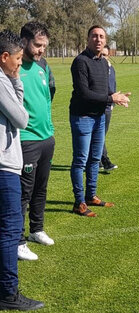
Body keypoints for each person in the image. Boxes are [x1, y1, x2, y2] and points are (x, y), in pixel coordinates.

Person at [0, 29, 44, 311]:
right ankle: (7, 292)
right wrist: (17, 82)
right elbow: (22, 118)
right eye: (17, 59)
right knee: (10, 229)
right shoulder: (2, 80)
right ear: (4, 57)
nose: (19, 64)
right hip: (4, 166)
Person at [69, 25, 130, 217]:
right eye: (94, 36)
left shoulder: (104, 63)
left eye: (102, 36)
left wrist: (115, 96)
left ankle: (91, 196)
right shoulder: (80, 62)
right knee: (80, 161)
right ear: (88, 39)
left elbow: (102, 92)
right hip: (83, 117)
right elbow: (84, 93)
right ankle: (79, 202)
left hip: (99, 117)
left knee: (95, 159)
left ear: (105, 40)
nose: (98, 39)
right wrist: (111, 99)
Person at [17, 22, 55, 262]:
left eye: (44, 46)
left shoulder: (43, 65)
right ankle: (18, 241)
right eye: (38, 45)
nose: (41, 50)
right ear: (24, 41)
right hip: (26, 139)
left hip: (46, 137)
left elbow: (49, 94)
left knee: (41, 188)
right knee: (23, 192)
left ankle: (36, 230)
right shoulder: (13, 65)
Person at [100, 45, 118, 172]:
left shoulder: (112, 69)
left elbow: (113, 86)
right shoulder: (99, 70)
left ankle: (97, 160)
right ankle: (105, 161)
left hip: (108, 105)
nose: (103, 57)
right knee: (100, 135)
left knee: (101, 135)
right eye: (101, 55)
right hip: (100, 104)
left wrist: (113, 103)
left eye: (105, 55)